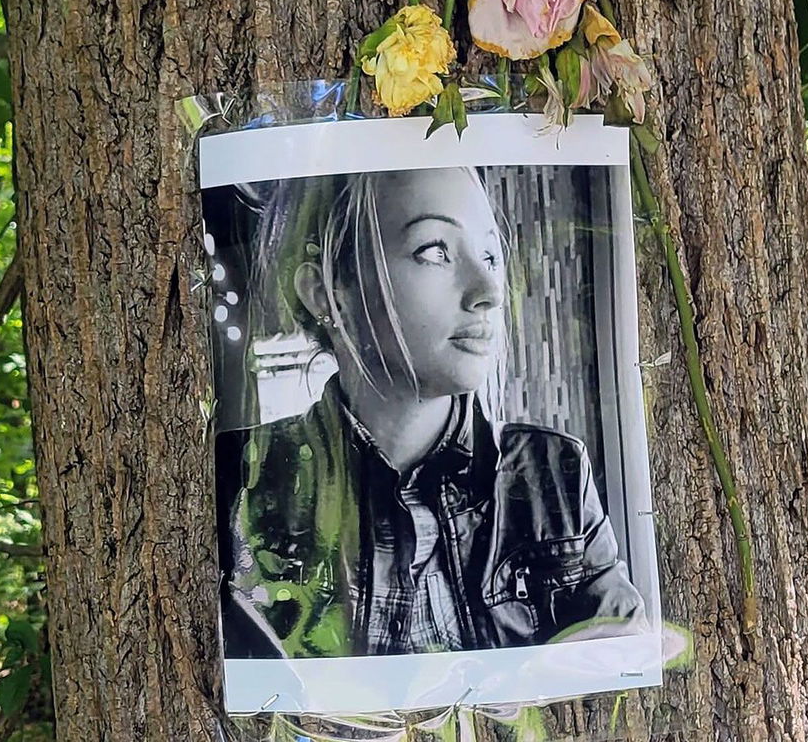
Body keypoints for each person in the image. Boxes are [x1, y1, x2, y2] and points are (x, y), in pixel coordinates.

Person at [216, 167, 645, 659]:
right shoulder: (238, 476)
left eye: (489, 254)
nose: (488, 290)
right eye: (434, 250)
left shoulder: (553, 472)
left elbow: (617, 673)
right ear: (327, 292)